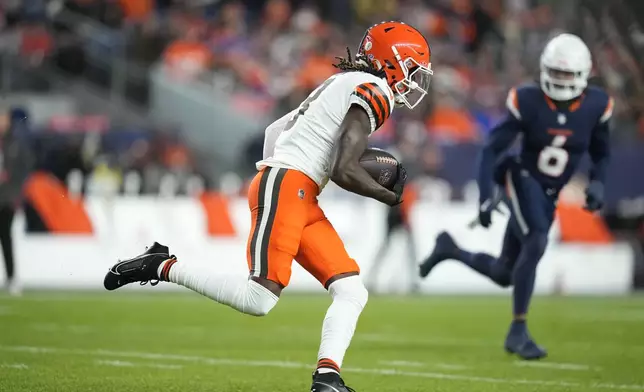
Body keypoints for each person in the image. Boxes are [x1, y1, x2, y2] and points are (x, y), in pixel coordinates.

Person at [103, 21, 432, 392]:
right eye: (413, 71)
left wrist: (281, 174)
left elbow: (276, 130)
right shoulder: (375, 91)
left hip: (295, 188)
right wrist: (388, 196)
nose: (415, 82)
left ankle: (328, 378)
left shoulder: (344, 84)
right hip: (291, 186)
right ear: (392, 61)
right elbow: (343, 169)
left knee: (352, 290)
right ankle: (160, 265)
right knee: (258, 298)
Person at [419, 33, 611, 360]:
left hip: (548, 192)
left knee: (505, 273)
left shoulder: (596, 104)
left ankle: (449, 249)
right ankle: (518, 330)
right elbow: (491, 150)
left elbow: (601, 152)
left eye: (567, 74)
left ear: (582, 74)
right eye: (557, 73)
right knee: (537, 239)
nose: (561, 80)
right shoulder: (529, 99)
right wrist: (485, 195)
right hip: (520, 177)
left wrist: (598, 183)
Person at [0, 107, 35, 296]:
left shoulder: (15, 143)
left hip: (7, 198)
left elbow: (24, 170)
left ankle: (11, 277)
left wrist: (16, 194)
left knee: (6, 238)